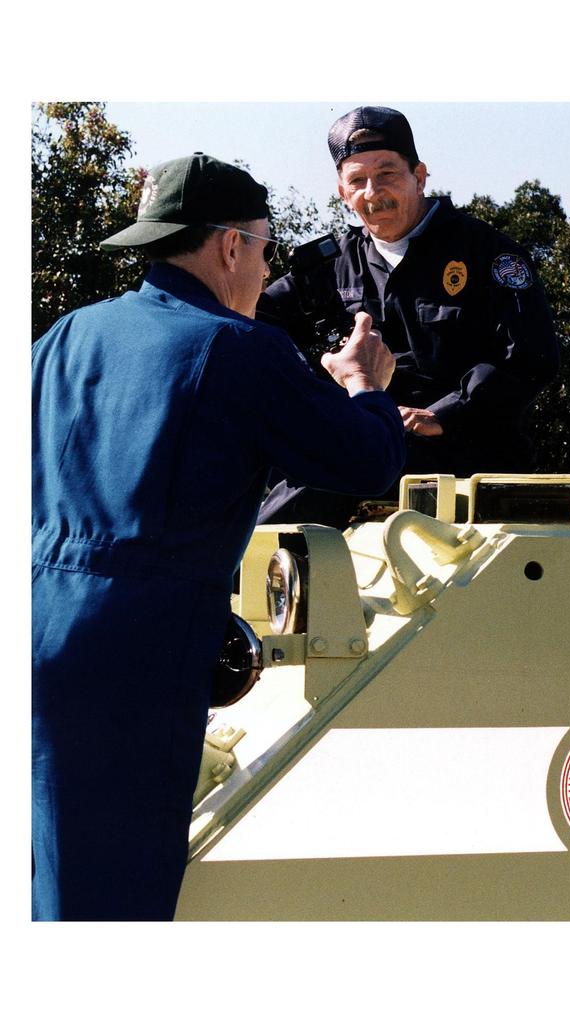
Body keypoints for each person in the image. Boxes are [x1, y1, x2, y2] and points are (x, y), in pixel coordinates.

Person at [32, 153, 405, 921]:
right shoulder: (234, 348)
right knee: (110, 901)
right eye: (266, 249)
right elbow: (365, 462)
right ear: (230, 246)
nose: (264, 270)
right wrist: (365, 386)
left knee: (43, 875)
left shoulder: (66, 337)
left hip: (33, 619)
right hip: (135, 654)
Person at [256, 105, 561, 527]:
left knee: (325, 475)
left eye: (387, 175)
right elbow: (254, 316)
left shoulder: (487, 252)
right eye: (357, 181)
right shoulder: (332, 264)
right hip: (370, 437)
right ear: (343, 194)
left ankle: (233, 578)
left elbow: (532, 356)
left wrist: (445, 415)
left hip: (467, 458)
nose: (372, 192)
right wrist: (311, 392)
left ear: (419, 176)